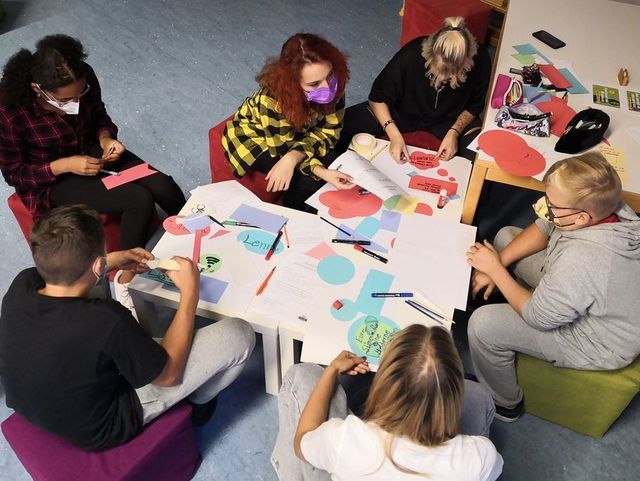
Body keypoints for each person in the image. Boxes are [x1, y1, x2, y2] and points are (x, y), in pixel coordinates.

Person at [0, 205, 255, 451]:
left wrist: (110, 261)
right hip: (101, 427)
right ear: (97, 265)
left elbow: (71, 277)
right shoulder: (106, 320)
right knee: (238, 334)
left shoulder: (23, 282)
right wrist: (190, 292)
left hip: (30, 402)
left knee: (98, 298)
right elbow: (168, 377)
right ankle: (198, 402)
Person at [0, 34, 187, 292]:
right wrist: (66, 165)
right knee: (137, 199)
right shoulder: (9, 111)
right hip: (53, 178)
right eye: (65, 101)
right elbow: (15, 174)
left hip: (93, 151)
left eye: (80, 95)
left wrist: (106, 138)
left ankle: (199, 237)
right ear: (37, 89)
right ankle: (124, 281)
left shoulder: (82, 75)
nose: (75, 105)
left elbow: (99, 114)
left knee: (164, 187)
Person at [466, 153, 640, 422]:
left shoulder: (584, 262)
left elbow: (539, 317)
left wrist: (496, 271)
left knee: (482, 324)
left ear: (582, 218)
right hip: (589, 294)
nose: (543, 207)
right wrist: (497, 262)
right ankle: (498, 294)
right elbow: (544, 226)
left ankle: (504, 403)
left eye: (553, 204)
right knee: (503, 239)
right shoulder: (608, 206)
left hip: (596, 339)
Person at [271, 324, 503, 481]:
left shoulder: (347, 439)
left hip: (355, 455)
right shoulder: (480, 456)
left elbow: (301, 444)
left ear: (383, 384)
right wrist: (443, 417)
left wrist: (331, 371)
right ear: (452, 396)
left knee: (303, 374)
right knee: (478, 396)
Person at [222, 33, 355, 211]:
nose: (327, 87)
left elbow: (330, 132)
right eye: (314, 84)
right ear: (293, 83)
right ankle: (291, 216)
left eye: (329, 75)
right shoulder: (272, 102)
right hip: (257, 138)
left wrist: (294, 156)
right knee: (307, 179)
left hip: (297, 133)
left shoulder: (333, 84)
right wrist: (317, 170)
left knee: (330, 159)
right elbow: (282, 150)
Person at [336, 16, 491, 163]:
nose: (444, 80)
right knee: (340, 127)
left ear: (468, 63)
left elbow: (474, 106)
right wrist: (394, 135)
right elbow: (378, 98)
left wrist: (454, 133)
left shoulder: (481, 59)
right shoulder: (411, 54)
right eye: (438, 73)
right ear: (428, 55)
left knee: (483, 153)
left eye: (453, 76)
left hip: (450, 120)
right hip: (402, 113)